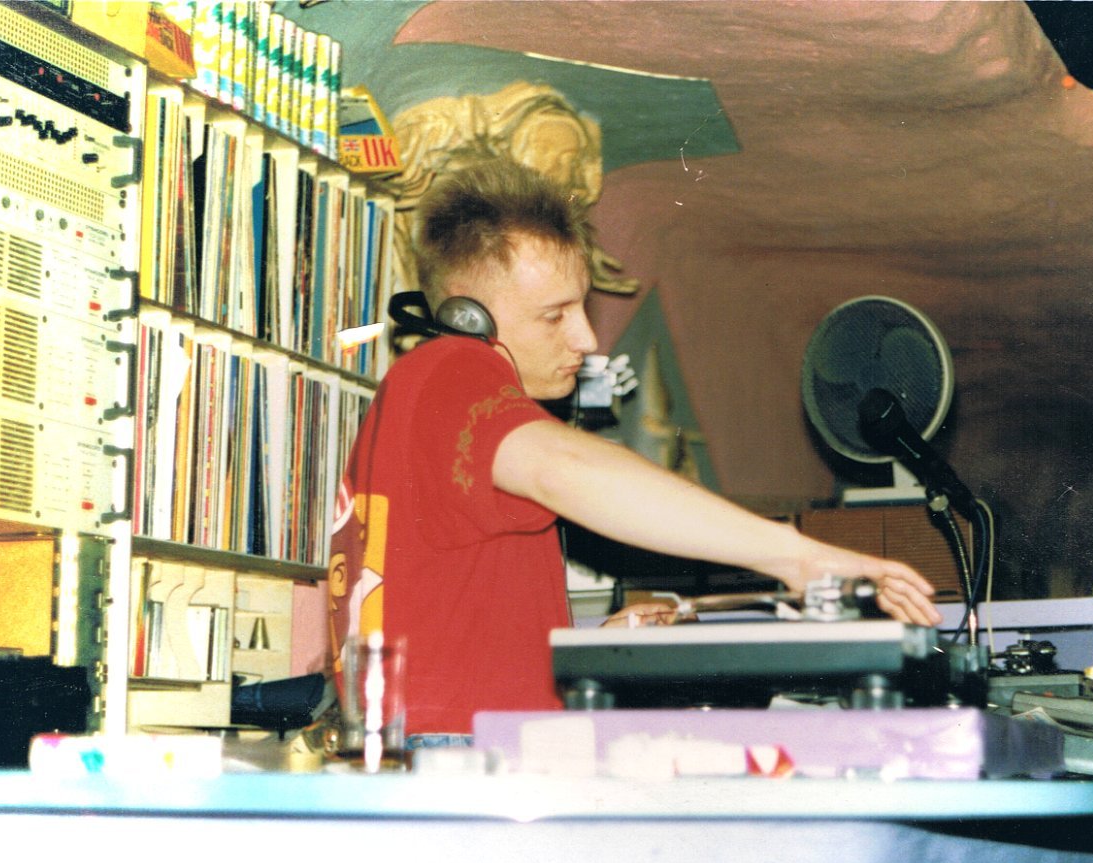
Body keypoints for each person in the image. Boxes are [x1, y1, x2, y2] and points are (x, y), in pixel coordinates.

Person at [328, 158, 943, 742]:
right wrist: (799, 558)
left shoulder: (424, 401)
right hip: (458, 748)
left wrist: (591, 641)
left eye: (583, 306)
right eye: (554, 316)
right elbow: (563, 468)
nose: (586, 337)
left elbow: (451, 621)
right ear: (468, 316)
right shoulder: (452, 367)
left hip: (448, 736)